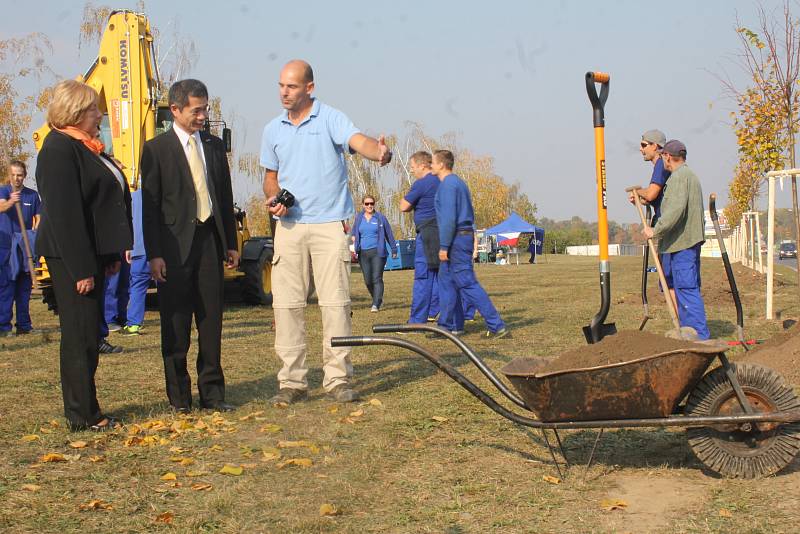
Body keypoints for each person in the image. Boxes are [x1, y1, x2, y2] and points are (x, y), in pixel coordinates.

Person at [261, 59, 392, 405]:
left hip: (329, 226)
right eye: (280, 86)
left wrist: (378, 152)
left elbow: (357, 140)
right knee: (287, 306)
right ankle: (292, 382)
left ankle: (337, 379)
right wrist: (273, 197)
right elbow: (269, 176)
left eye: (291, 86)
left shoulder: (330, 118)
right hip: (288, 228)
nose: (283, 93)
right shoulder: (273, 129)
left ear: (309, 88)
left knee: (335, 304)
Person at [35, 79, 132, 431]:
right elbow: (65, 216)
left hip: (92, 254)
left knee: (91, 333)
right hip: (71, 257)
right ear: (75, 112)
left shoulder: (87, 147)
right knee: (80, 336)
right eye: (93, 109)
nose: (100, 114)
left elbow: (100, 205)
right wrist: (80, 270)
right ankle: (80, 414)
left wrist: (108, 256)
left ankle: (89, 408)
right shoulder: (58, 149)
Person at [141, 79, 239, 414]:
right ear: (176, 109)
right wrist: (154, 253)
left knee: (211, 321)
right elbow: (150, 209)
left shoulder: (212, 146)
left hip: (210, 242)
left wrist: (231, 242)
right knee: (177, 323)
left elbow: (224, 198)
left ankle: (213, 394)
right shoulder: (156, 150)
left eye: (206, 108)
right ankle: (179, 397)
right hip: (173, 249)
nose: (203, 115)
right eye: (197, 110)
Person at [433, 150, 507, 338]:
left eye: (433, 162)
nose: (430, 165)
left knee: (466, 283)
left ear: (441, 164)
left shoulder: (448, 185)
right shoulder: (458, 183)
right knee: (447, 282)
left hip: (456, 239)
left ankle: (496, 325)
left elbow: (449, 218)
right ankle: (448, 326)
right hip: (461, 236)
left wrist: (443, 246)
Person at [642, 140, 710, 340]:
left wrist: (655, 230)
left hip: (684, 245)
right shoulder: (686, 176)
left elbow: (674, 211)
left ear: (667, 157)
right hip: (681, 244)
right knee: (682, 289)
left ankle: (700, 337)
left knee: (687, 290)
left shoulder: (680, 178)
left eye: (663, 156)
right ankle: (689, 333)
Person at [400, 151, 442, 324]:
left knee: (423, 276)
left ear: (423, 165)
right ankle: (434, 311)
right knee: (439, 274)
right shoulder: (442, 181)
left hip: (426, 234)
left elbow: (404, 206)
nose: (412, 170)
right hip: (442, 233)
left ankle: (417, 319)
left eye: (412, 167)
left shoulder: (421, 183)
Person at [0, 160, 40, 336]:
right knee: (7, 287)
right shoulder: (3, 191)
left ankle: (24, 325)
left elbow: (39, 217)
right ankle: (3, 326)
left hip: (24, 248)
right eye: (13, 175)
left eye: (20, 175)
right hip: (6, 248)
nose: (16, 178)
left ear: (24, 176)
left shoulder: (32, 195)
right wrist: (10, 202)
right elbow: (1, 207)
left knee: (24, 288)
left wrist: (34, 234)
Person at [351, 195, 396, 312]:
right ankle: (377, 298)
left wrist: (394, 249)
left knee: (376, 278)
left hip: (378, 252)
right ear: (363, 205)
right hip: (363, 253)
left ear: (374, 204)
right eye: (367, 204)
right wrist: (353, 238)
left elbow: (389, 234)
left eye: (371, 203)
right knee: (368, 280)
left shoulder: (380, 218)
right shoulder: (359, 218)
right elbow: (354, 232)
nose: (369, 206)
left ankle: (376, 303)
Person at [120, 188, 150, 336]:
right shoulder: (164, 193)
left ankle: (133, 324)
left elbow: (126, 222)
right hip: (160, 250)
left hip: (138, 247)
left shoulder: (132, 197)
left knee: (137, 285)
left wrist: (127, 246)